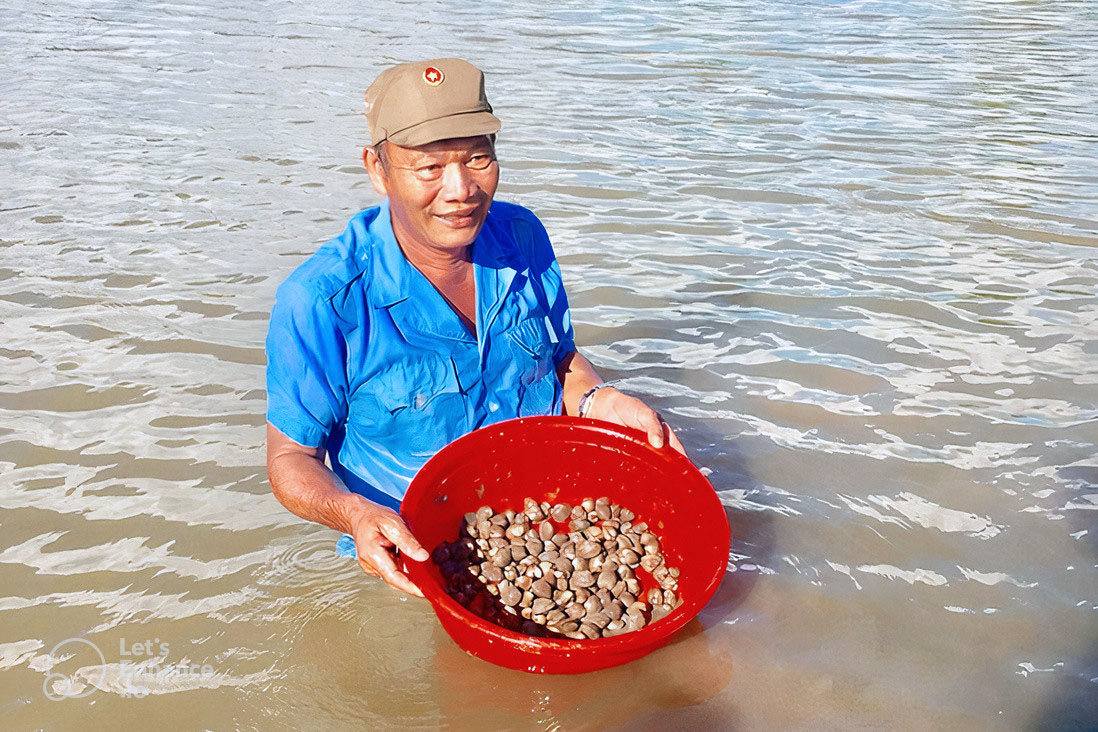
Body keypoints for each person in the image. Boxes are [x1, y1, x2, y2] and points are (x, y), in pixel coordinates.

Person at [265, 58, 685, 598]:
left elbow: (560, 362)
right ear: (377, 169)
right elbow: (291, 460)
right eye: (430, 168)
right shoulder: (320, 299)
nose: (462, 188)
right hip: (410, 556)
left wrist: (601, 398)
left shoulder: (522, 236)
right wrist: (353, 514)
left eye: (478, 158)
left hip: (551, 523)